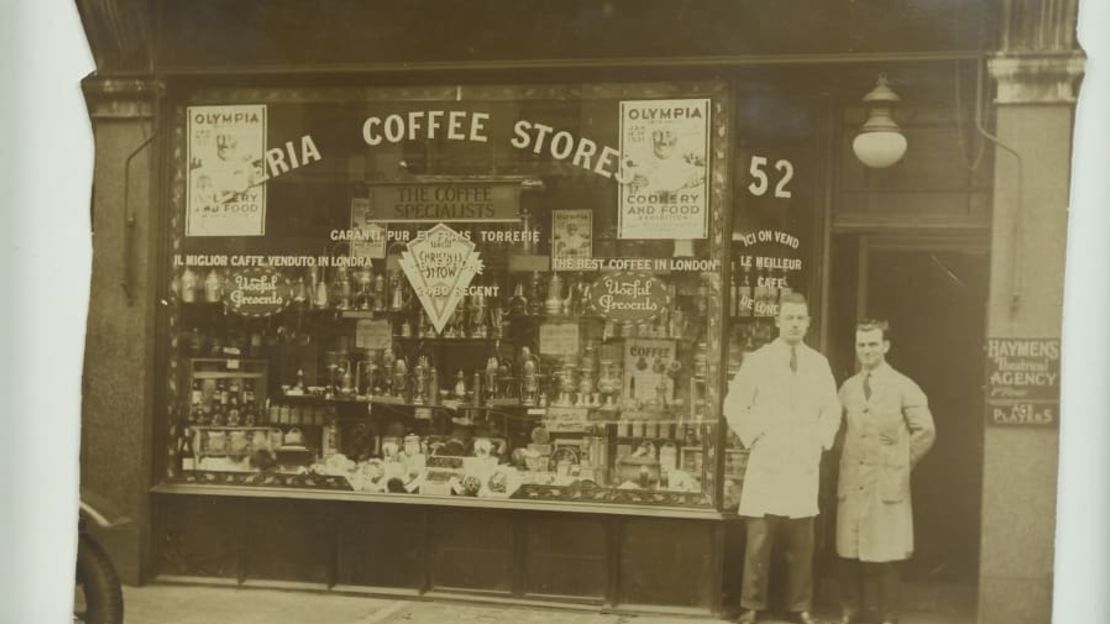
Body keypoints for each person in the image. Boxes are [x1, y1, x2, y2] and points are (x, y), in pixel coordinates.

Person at [723, 293, 841, 624]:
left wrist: (819, 440)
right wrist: (756, 434)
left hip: (802, 461)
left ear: (808, 323)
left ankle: (799, 606)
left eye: (800, 318)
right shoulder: (758, 360)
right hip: (768, 460)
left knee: (802, 542)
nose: (794, 324)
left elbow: (832, 409)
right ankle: (752, 605)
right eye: (788, 318)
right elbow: (733, 405)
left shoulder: (818, 363)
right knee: (759, 539)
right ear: (776, 321)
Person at [835, 320, 936, 624]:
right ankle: (850, 612)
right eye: (861, 345)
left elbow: (926, 431)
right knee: (849, 551)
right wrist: (845, 453)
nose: (867, 350)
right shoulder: (849, 388)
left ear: (886, 346)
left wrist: (899, 459)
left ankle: (887, 616)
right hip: (853, 479)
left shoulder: (904, 386)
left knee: (886, 553)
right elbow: (835, 428)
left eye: (873, 344)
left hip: (885, 482)